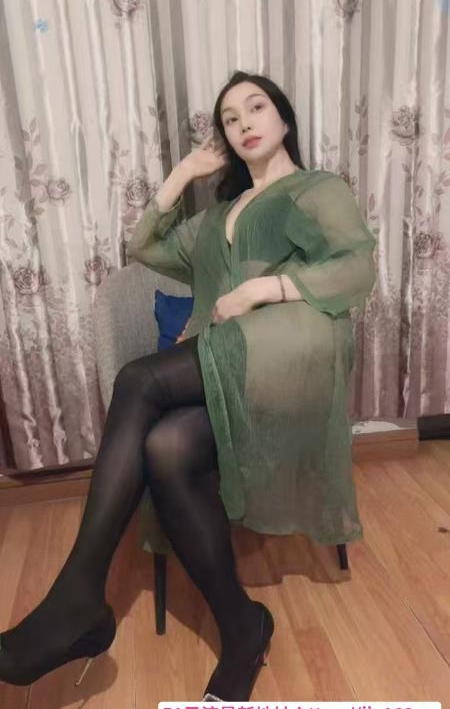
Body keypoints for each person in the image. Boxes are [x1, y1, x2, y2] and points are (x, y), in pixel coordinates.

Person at [0, 70, 377, 701]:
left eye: (257, 107)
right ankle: (244, 626)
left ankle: (78, 598)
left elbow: (357, 266)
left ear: (284, 119)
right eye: (230, 118)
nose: (244, 122)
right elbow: (142, 246)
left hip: (292, 357)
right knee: (165, 448)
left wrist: (261, 288)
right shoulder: (216, 218)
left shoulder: (317, 189)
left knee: (138, 378)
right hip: (228, 361)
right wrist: (181, 176)